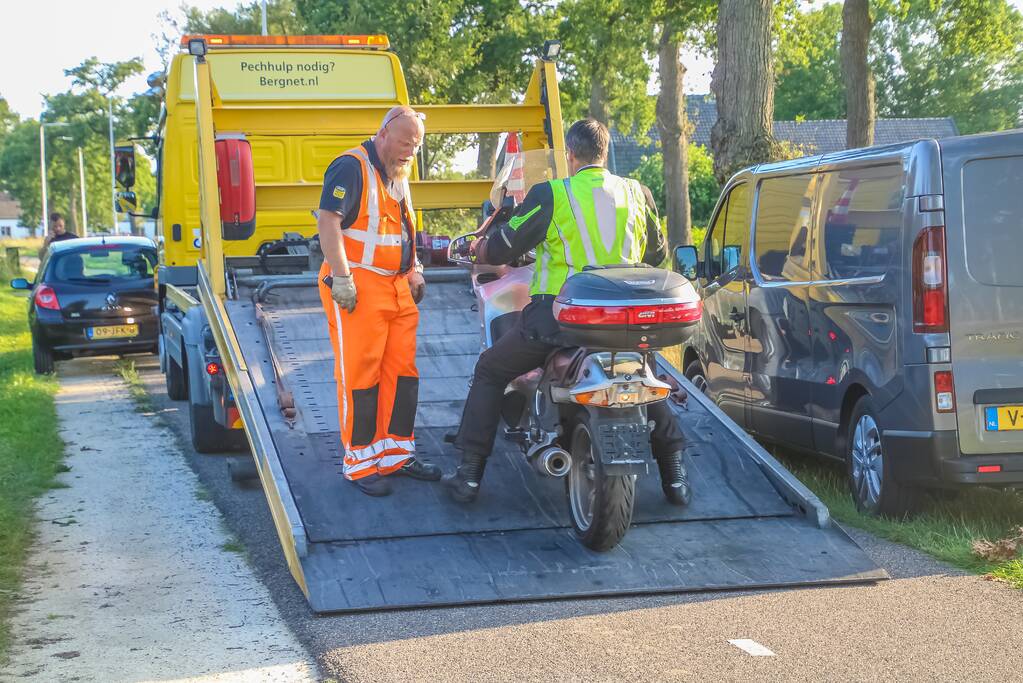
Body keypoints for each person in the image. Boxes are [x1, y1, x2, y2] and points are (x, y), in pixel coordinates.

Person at [444, 118, 691, 506]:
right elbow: (656, 254)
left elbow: (506, 244)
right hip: (624, 320)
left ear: (571, 156)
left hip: (561, 319)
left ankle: (470, 475)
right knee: (638, 375)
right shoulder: (637, 193)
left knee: (490, 369)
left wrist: (480, 249)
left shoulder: (553, 194)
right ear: (605, 153)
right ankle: (674, 474)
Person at [315, 105, 440, 497]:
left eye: (416, 145)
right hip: (358, 284)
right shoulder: (350, 166)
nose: (409, 152)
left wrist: (415, 266)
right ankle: (360, 462)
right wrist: (342, 277)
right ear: (383, 133)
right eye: (404, 142)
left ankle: (396, 455)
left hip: (397, 284)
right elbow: (327, 220)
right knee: (360, 375)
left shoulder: (398, 173)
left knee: (401, 372)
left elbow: (406, 226)